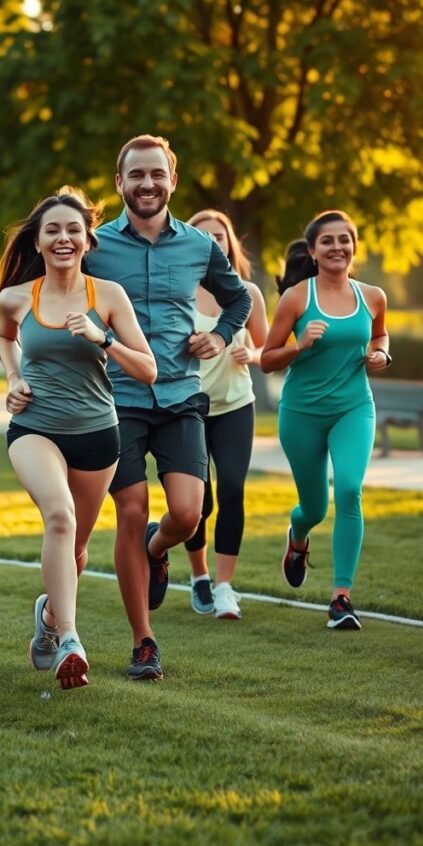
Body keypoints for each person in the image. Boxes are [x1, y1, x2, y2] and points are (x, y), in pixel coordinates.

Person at [83, 135, 251, 680]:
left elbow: (239, 297)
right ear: (120, 183)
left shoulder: (200, 246)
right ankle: (144, 642)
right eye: (137, 175)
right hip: (117, 400)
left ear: (172, 181)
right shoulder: (95, 247)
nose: (147, 183)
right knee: (130, 512)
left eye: (157, 174)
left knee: (187, 514)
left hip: (181, 396)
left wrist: (220, 335)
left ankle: (157, 549)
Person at [0, 188, 156, 690]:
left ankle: (48, 619)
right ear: (38, 242)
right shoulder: (15, 297)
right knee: (59, 517)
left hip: (97, 434)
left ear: (88, 240)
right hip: (34, 427)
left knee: (77, 547)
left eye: (73, 230)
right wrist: (14, 377)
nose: (63, 238)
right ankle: (69, 638)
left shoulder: (107, 296)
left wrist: (102, 337)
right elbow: (5, 337)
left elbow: (148, 369)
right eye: (52, 230)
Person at [260, 210, 390, 631]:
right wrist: (299, 346)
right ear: (313, 251)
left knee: (350, 490)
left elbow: (380, 334)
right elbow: (267, 359)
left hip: (354, 408)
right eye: (328, 241)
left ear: (354, 247)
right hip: (302, 413)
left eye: (344, 240)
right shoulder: (297, 298)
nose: (338, 247)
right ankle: (297, 538)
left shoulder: (373, 296)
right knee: (314, 508)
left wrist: (382, 353)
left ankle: (341, 598)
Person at [181, 211, 269, 620]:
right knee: (198, 501)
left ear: (229, 243)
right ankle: (199, 576)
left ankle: (224, 587)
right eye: (203, 236)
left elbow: (268, 349)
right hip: (187, 409)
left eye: (219, 236)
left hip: (235, 405)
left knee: (232, 488)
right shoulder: (178, 291)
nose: (212, 242)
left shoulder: (247, 292)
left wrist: (251, 353)